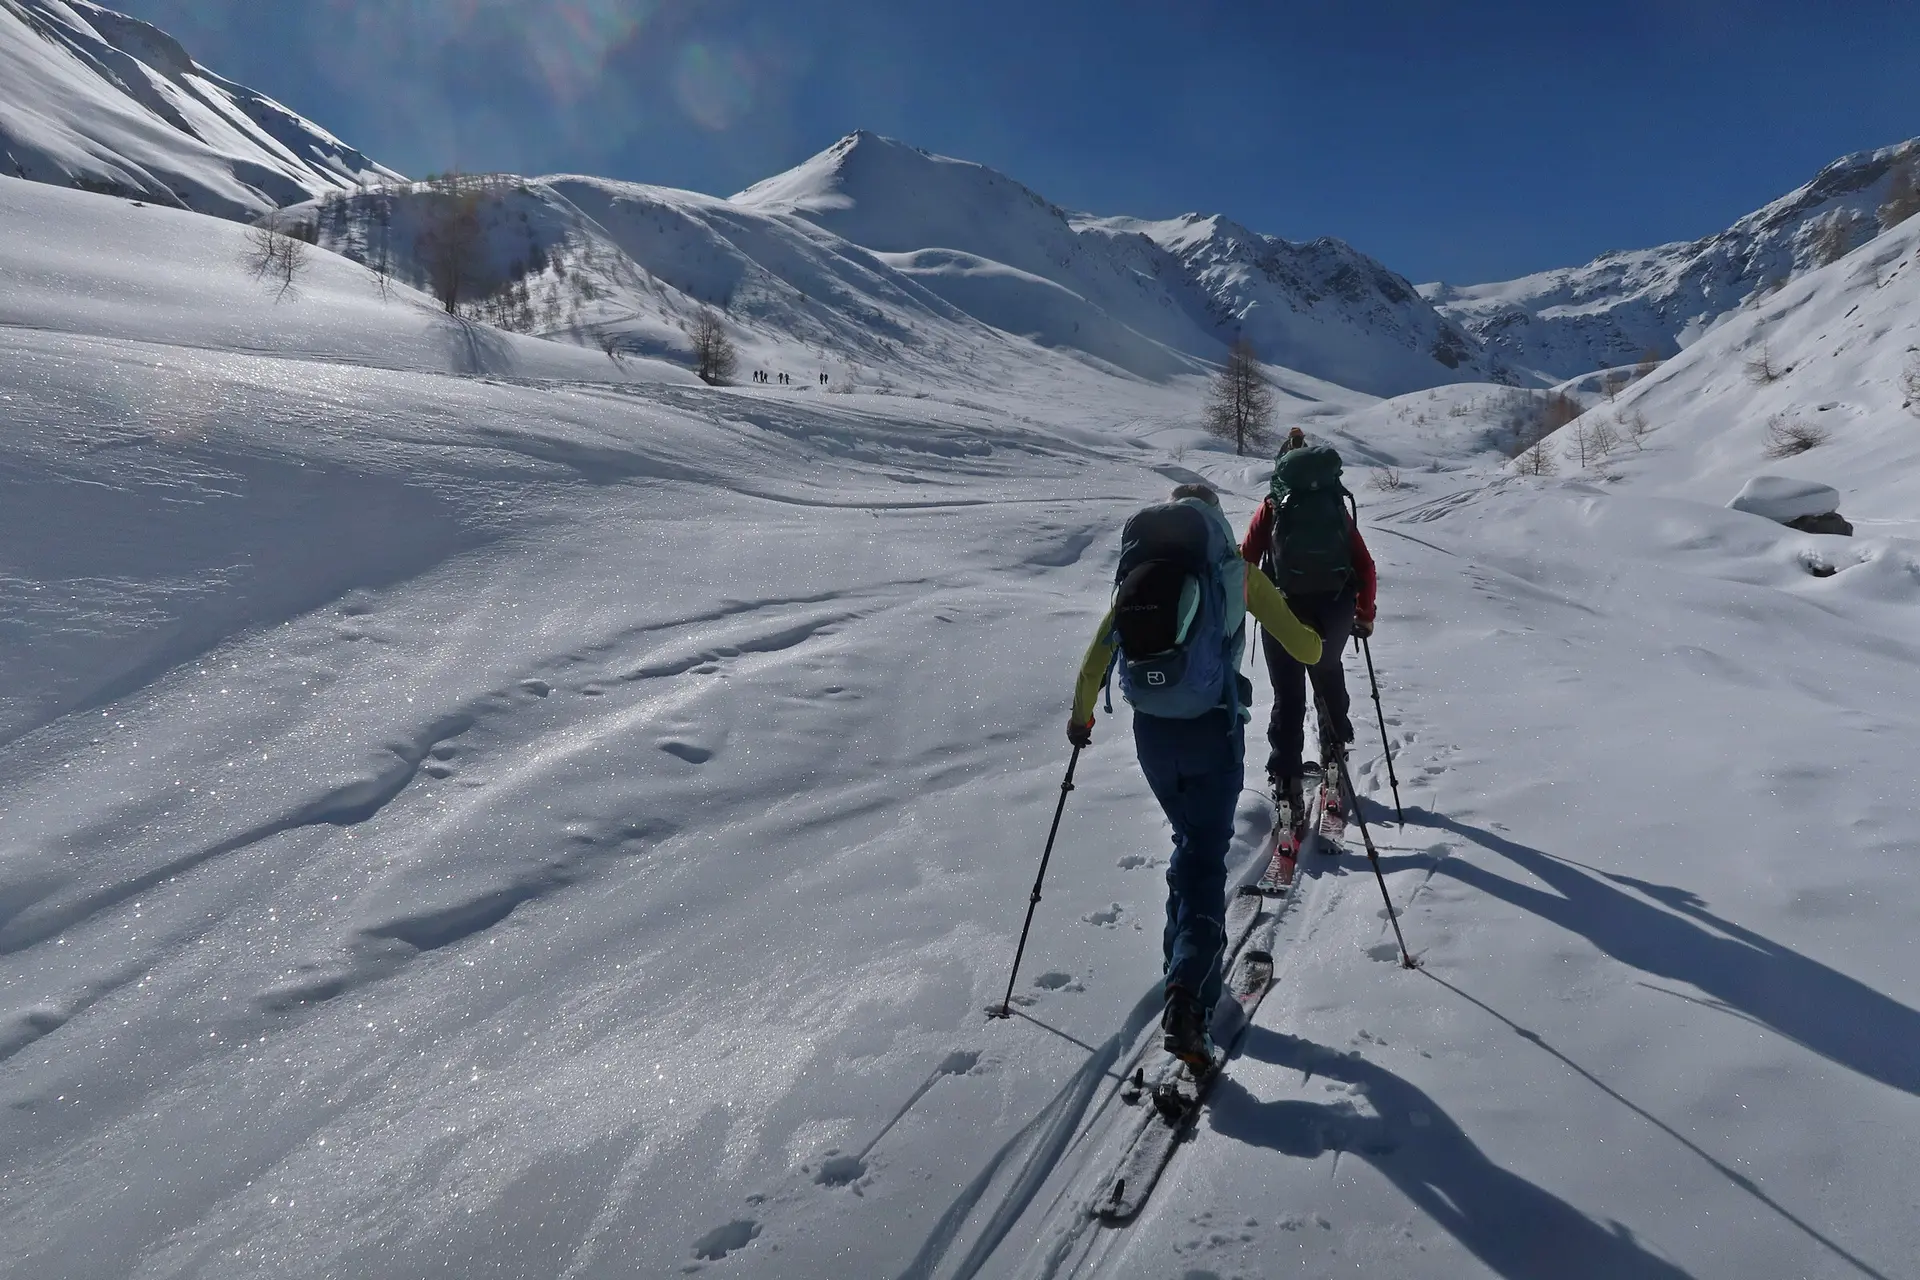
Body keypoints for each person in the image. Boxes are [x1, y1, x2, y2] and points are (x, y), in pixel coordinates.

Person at [1066, 483, 1322, 1070]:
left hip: (1152, 736)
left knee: (1188, 847)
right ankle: (1191, 998)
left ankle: (1183, 974)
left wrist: (1081, 722)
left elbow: (1092, 666)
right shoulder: (1236, 576)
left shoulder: (1144, 576)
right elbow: (1305, 650)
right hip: (1213, 731)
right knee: (1204, 858)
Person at [1240, 433, 1377, 826]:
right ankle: (1334, 759)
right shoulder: (1335, 505)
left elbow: (1245, 561)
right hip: (1334, 608)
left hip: (1282, 608)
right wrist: (1364, 614)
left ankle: (1286, 786)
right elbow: (1364, 565)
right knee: (1329, 676)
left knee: (1287, 694)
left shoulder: (1272, 506)